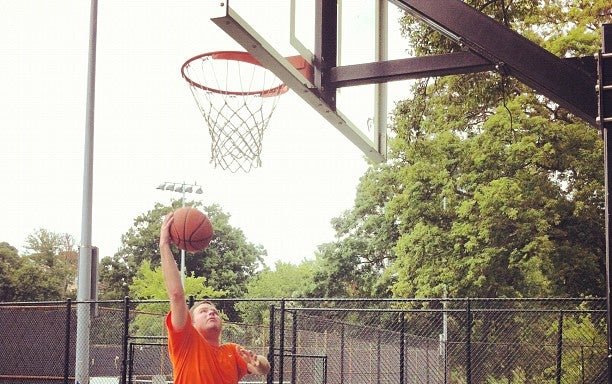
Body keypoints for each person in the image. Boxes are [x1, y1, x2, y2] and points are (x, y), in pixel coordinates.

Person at [159, 212, 270, 384]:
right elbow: (177, 296)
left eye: (215, 312)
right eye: (203, 311)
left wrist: (259, 362)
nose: (211, 313)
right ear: (192, 324)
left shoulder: (232, 351)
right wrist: (164, 244)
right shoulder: (186, 341)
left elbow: (263, 368)